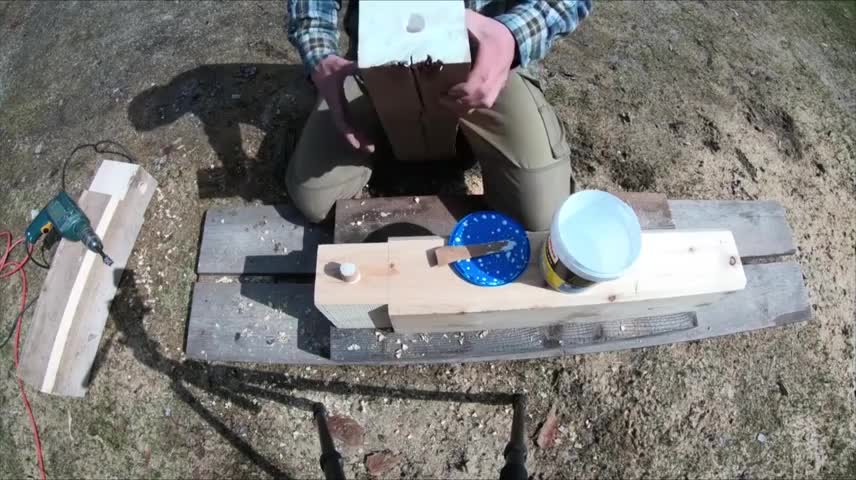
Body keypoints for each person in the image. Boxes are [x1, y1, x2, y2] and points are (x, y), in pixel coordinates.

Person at [286, 0, 592, 231]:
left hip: (486, 59)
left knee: (541, 215)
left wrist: (511, 35)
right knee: (317, 200)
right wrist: (320, 55)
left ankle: (465, 138)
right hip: (379, 60)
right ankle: (404, 134)